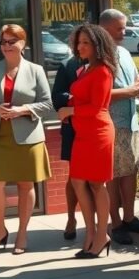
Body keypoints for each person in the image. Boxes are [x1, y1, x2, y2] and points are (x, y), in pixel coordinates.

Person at [0, 24, 54, 255]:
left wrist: (24, 109)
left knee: (25, 184)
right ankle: (0, 231)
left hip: (27, 136)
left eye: (12, 41)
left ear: (23, 44)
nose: (7, 46)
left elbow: (47, 103)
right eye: (3, 42)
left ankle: (22, 234)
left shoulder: (36, 70)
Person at [57, 23, 117, 258]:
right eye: (78, 42)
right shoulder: (86, 69)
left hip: (99, 132)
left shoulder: (103, 70)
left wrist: (70, 111)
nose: (79, 46)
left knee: (96, 184)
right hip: (82, 133)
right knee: (78, 181)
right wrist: (71, 102)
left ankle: (101, 235)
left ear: (97, 45)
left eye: (85, 43)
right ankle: (91, 233)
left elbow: (98, 107)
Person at [99, 9, 139, 245]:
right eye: (119, 28)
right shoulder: (97, 57)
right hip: (111, 125)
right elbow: (97, 94)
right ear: (105, 29)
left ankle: (130, 217)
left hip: (131, 124)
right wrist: (129, 91)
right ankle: (116, 223)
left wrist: (136, 90)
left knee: (130, 172)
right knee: (112, 175)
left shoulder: (123, 52)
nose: (124, 32)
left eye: (124, 27)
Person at [50, 49, 84, 241]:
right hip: (73, 127)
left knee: (97, 179)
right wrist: (75, 101)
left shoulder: (103, 63)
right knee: (75, 175)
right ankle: (71, 218)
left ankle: (98, 222)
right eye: (81, 42)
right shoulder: (69, 65)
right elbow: (57, 97)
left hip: (97, 127)